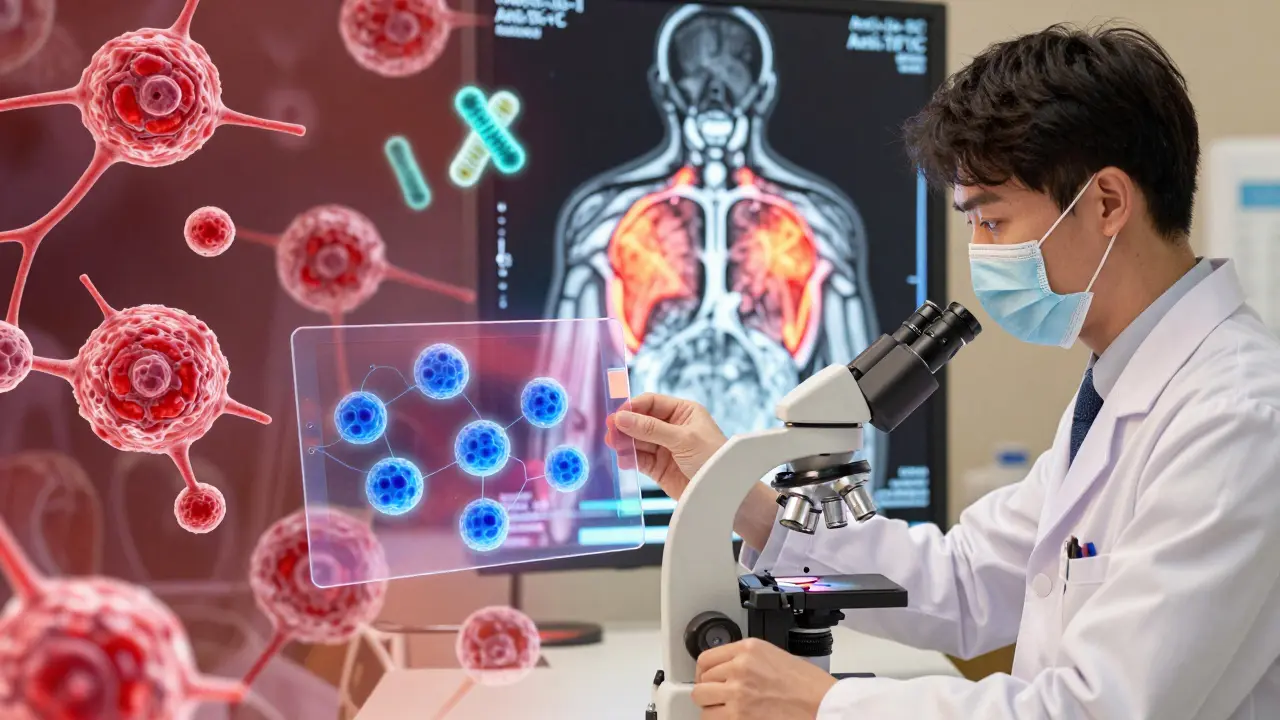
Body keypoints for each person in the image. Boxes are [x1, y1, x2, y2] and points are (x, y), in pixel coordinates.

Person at [607, 23, 1280, 720]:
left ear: (1107, 203)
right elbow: (963, 582)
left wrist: (827, 706)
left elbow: (1098, 710)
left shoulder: (1235, 420)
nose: (978, 253)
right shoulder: (1124, 388)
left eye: (991, 222)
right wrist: (736, 495)